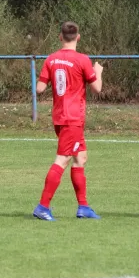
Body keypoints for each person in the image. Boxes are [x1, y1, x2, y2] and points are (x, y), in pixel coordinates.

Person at [32, 21, 103, 221]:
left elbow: (39, 89)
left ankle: (83, 207)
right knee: (63, 159)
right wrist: (98, 71)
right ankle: (42, 206)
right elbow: (97, 88)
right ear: (78, 37)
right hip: (72, 117)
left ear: (60, 37)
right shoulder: (82, 59)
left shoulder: (51, 59)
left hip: (59, 116)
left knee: (80, 158)